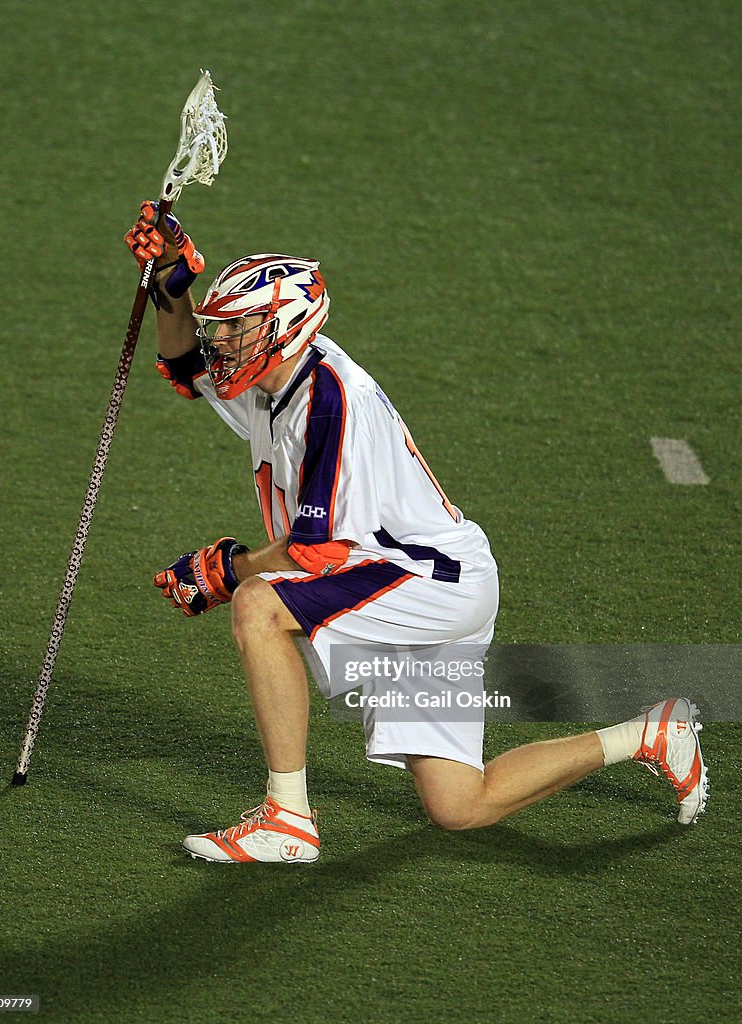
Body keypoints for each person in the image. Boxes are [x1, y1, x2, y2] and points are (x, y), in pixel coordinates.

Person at [124, 203, 709, 864]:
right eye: (222, 330)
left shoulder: (332, 401)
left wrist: (227, 573)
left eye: (238, 330)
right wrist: (170, 281)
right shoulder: (275, 378)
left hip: (425, 581)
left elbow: (314, 551)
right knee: (460, 804)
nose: (223, 344)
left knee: (260, 606)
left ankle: (287, 818)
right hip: (425, 580)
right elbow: (183, 365)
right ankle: (652, 733)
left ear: (285, 326)